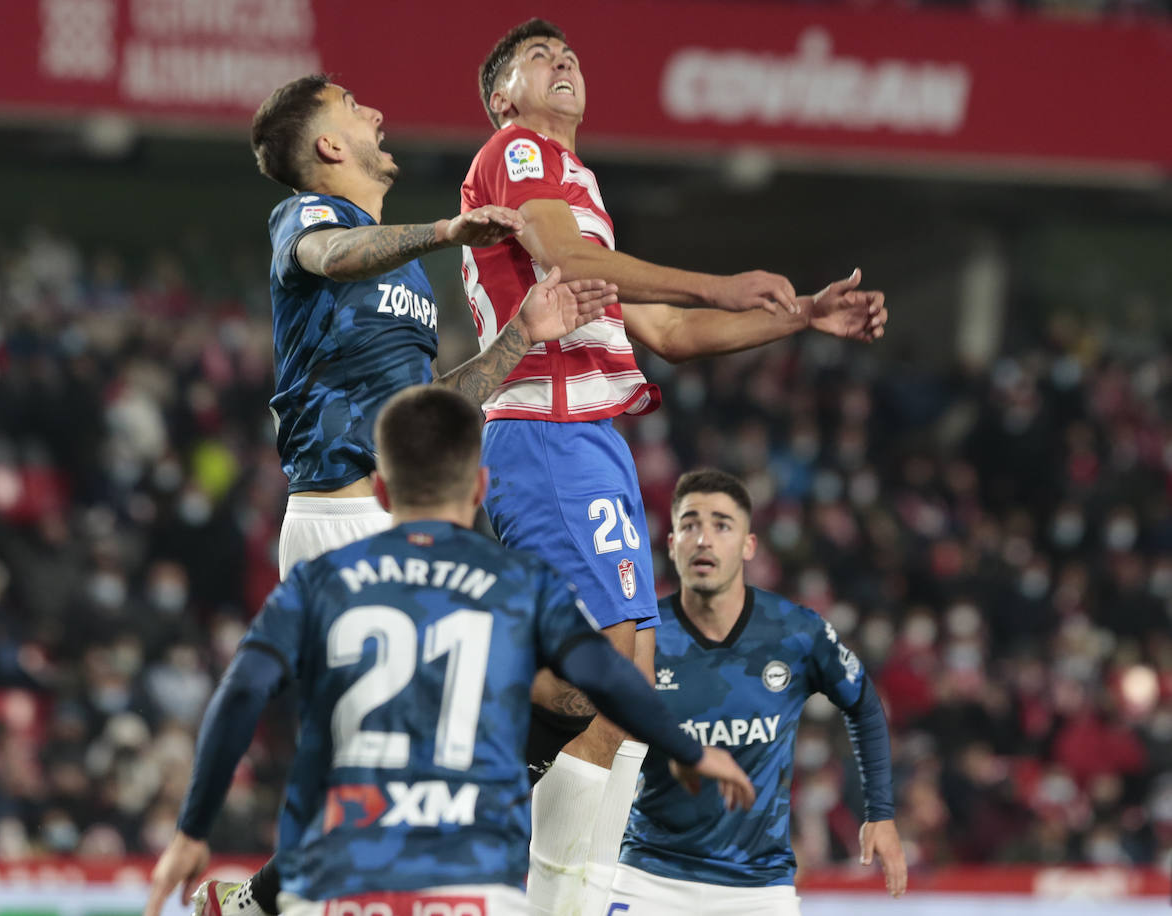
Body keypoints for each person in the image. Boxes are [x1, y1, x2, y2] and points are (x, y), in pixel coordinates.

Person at [463, 19, 889, 915]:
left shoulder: (577, 183)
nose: (563, 61)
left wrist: (800, 317)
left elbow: (666, 333)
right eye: (538, 59)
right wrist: (718, 280)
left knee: (630, 692)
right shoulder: (518, 151)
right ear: (503, 96)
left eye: (570, 53)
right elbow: (568, 260)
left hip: (595, 439)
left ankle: (559, 871)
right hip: (545, 430)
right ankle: (517, 855)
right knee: (603, 679)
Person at [143, 387, 757, 916]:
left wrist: (193, 829)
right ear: (482, 488)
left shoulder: (320, 582)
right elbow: (602, 678)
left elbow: (243, 691)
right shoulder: (518, 586)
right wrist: (687, 749)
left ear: (381, 491)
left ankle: (260, 901)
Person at [254, 73, 618, 579]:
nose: (375, 115)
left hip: (405, 513)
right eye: (353, 104)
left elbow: (428, 406)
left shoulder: (406, 267)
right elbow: (335, 254)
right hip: (338, 517)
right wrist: (444, 231)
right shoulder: (305, 216)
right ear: (329, 145)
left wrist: (522, 333)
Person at [607, 468, 907, 915]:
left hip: (758, 887)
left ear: (748, 546)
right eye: (689, 524)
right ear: (671, 545)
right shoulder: (643, 637)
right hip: (648, 876)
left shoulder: (796, 633)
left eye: (721, 525)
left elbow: (863, 705)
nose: (703, 539)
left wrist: (880, 812)